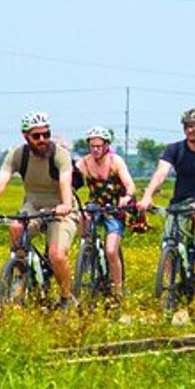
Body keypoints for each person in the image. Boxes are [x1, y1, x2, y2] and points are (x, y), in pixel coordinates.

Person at [0, 110, 78, 307]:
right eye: (36, 136)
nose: (42, 139)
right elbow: (1, 181)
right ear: (26, 136)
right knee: (15, 227)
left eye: (46, 134)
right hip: (32, 204)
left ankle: (66, 297)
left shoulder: (60, 155)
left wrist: (65, 205)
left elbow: (66, 181)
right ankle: (20, 275)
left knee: (56, 255)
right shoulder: (18, 155)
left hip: (59, 208)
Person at [136, 108, 195, 284]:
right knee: (168, 242)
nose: (191, 130)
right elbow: (161, 173)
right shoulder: (174, 149)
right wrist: (147, 196)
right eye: (187, 126)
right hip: (180, 200)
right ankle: (170, 285)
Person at [76, 125, 137, 296]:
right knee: (82, 217)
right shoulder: (84, 163)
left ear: (106, 146)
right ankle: (87, 250)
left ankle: (118, 290)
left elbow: (129, 184)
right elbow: (71, 183)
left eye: (99, 146)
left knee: (111, 250)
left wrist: (127, 197)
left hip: (114, 209)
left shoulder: (115, 161)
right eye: (92, 146)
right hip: (95, 207)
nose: (95, 150)